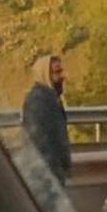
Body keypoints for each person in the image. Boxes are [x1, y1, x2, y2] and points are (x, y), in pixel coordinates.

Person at [21, 54, 71, 186]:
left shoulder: (52, 99)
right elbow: (38, 140)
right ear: (45, 74)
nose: (62, 76)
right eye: (57, 72)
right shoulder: (37, 101)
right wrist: (53, 171)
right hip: (45, 176)